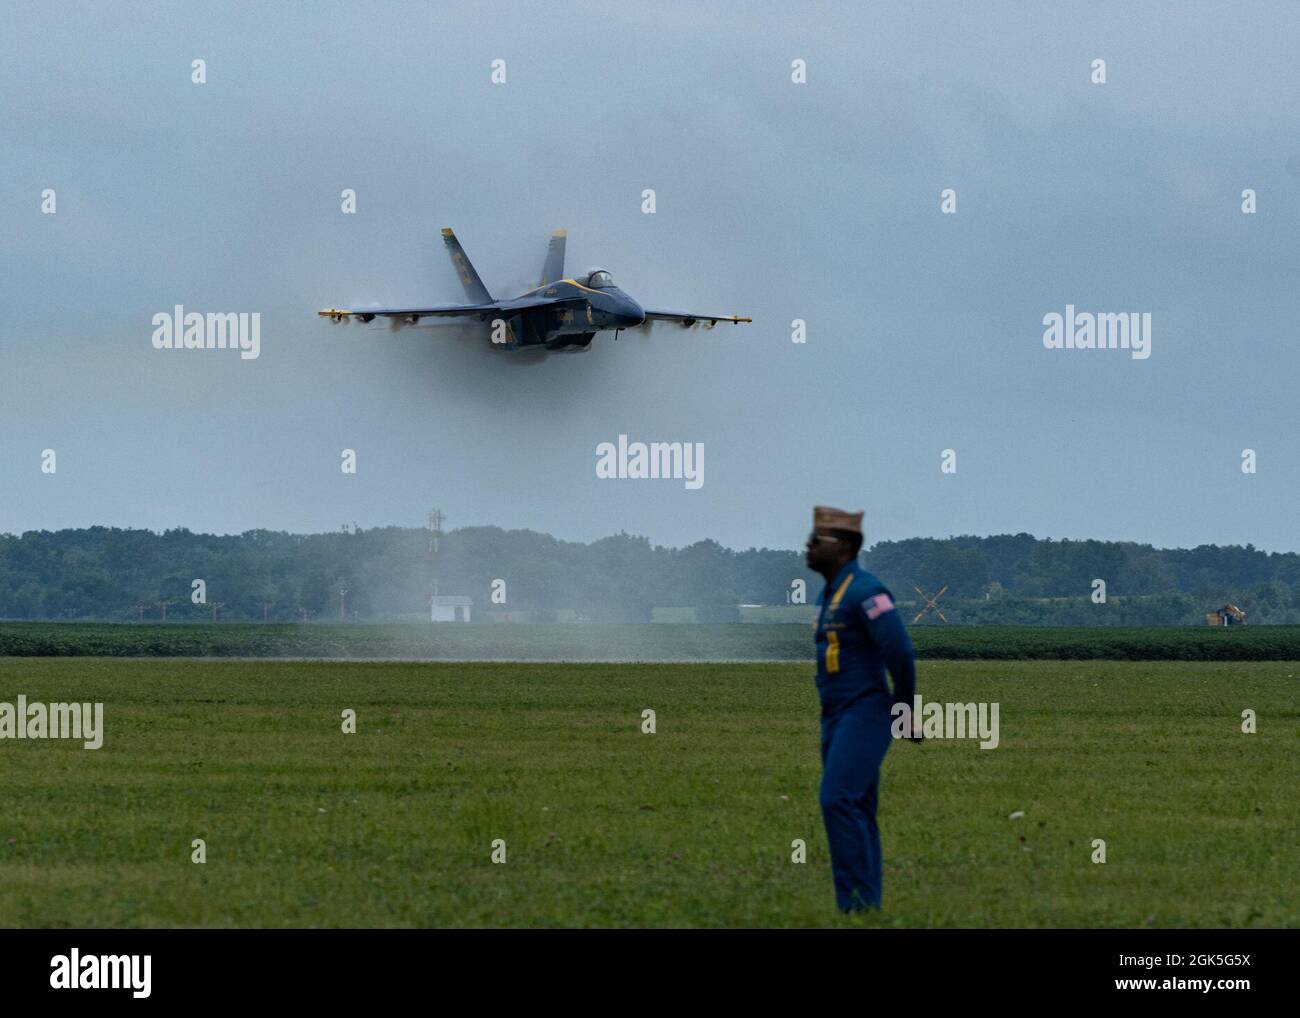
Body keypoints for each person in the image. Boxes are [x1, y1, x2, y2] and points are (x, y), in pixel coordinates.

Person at [804, 505, 919, 912]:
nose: (809, 545)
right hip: (834, 714)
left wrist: (904, 710)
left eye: (819, 540)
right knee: (858, 805)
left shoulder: (866, 591)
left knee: (837, 799)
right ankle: (865, 907)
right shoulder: (831, 592)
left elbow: (900, 651)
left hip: (865, 711)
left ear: (845, 546)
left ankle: (854, 904)